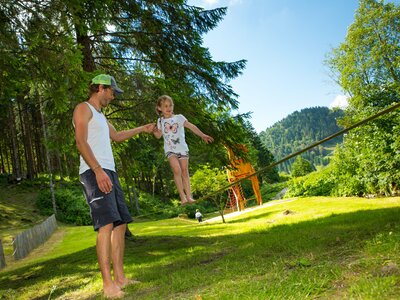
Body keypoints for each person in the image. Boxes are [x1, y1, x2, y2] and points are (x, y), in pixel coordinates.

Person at [73, 74, 154, 299]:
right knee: (106, 225)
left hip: (110, 171)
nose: (113, 96)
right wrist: (97, 170)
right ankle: (107, 285)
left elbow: (117, 136)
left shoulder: (101, 116)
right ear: (100, 88)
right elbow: (81, 142)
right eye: (111, 92)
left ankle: (120, 278)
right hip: (93, 172)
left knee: (119, 224)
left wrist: (142, 128)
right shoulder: (83, 108)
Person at [153, 95, 214, 205]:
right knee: (177, 170)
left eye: (170, 105)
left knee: (185, 171)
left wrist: (202, 135)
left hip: (182, 149)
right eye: (165, 106)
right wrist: (154, 131)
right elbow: (158, 136)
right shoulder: (160, 121)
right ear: (159, 108)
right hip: (170, 150)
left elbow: (191, 126)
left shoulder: (179, 118)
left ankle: (189, 196)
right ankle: (183, 197)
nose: (168, 108)